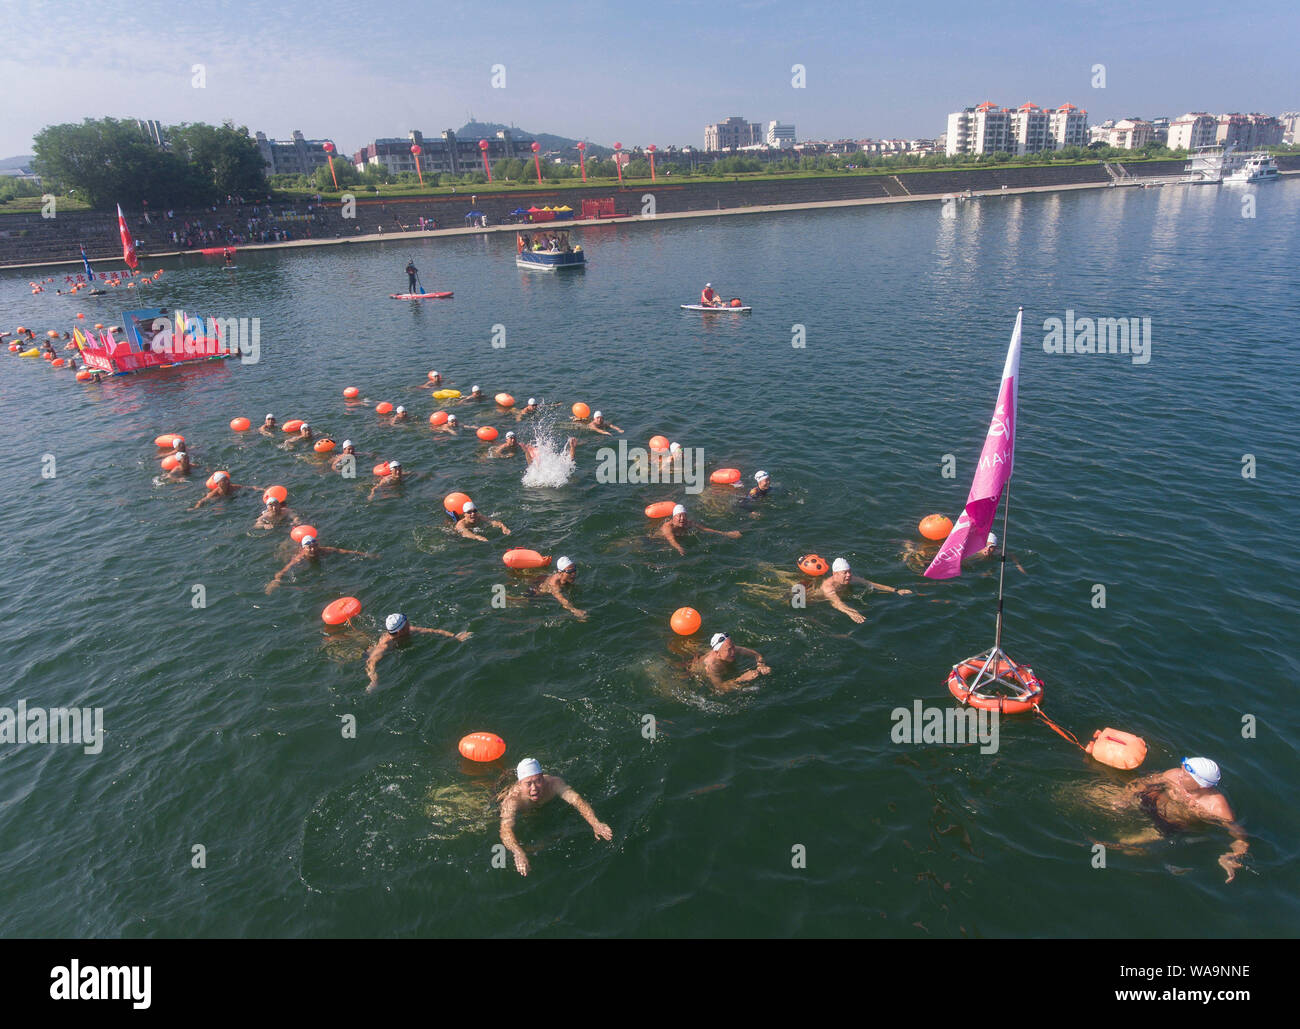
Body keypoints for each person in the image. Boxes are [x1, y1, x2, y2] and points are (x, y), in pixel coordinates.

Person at [1121, 758, 1249, 882]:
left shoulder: (1216, 808)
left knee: (1127, 846)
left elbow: (1239, 836)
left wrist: (1234, 856)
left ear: (1201, 784)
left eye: (1186, 775)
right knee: (1105, 798)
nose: (1180, 775)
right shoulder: (1173, 775)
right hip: (1149, 801)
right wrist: (1125, 798)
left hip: (1169, 825)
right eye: (1182, 770)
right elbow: (1143, 783)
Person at [498, 758, 612, 877]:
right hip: (520, 808)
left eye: (538, 781)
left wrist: (595, 823)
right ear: (520, 784)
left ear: (543, 777)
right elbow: (505, 829)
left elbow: (577, 800)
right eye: (528, 784)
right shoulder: (513, 800)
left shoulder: (554, 784)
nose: (534, 788)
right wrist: (518, 852)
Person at [365, 612, 471, 692]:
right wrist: (374, 680)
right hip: (369, 652)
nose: (408, 622)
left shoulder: (410, 630)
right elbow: (371, 663)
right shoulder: (385, 646)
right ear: (400, 630)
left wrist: (455, 636)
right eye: (406, 621)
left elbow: (433, 631)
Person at [265, 535, 377, 593]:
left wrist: (366, 555)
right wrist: (275, 582)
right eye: (310, 547)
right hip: (306, 563)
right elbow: (284, 570)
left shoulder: (323, 550)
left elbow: (343, 551)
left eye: (315, 546)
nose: (313, 549)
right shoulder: (299, 558)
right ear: (304, 548)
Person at [820, 557, 912, 624]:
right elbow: (836, 603)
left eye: (849, 571)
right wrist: (851, 613)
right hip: (822, 600)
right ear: (835, 574)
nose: (849, 575)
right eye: (845, 573)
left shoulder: (851, 578)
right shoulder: (828, 587)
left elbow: (871, 584)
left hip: (844, 594)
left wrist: (895, 590)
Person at [693, 632, 771, 691]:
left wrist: (761, 665)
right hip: (695, 672)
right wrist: (742, 679)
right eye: (729, 650)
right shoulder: (712, 665)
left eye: (733, 647)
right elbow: (719, 688)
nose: (733, 652)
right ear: (717, 652)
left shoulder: (731, 649)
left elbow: (756, 654)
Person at [660, 504, 741, 555]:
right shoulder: (667, 527)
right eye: (679, 516)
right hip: (660, 540)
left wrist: (726, 533)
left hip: (680, 537)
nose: (682, 519)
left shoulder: (688, 523)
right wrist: (679, 548)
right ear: (673, 517)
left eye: (684, 515)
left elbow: (705, 529)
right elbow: (671, 540)